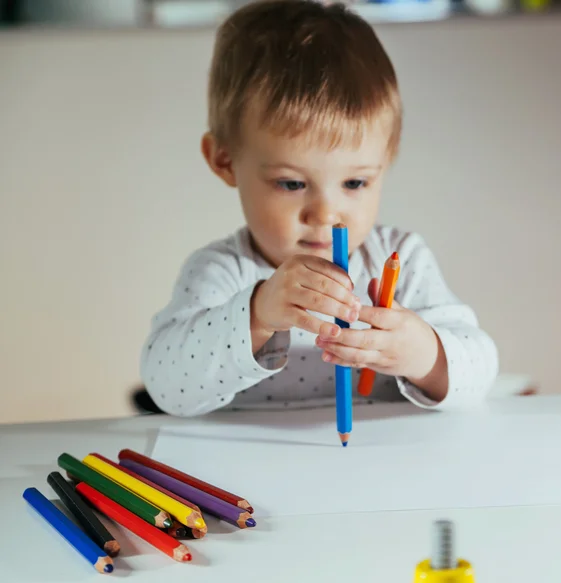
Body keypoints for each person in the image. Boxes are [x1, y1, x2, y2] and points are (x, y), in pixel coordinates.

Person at [139, 0, 498, 417]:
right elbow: (166, 386)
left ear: (387, 159)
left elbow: (482, 369)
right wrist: (256, 315)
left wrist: (424, 354)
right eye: (292, 183)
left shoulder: (399, 262)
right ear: (224, 161)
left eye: (355, 182)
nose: (326, 214)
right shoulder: (224, 271)